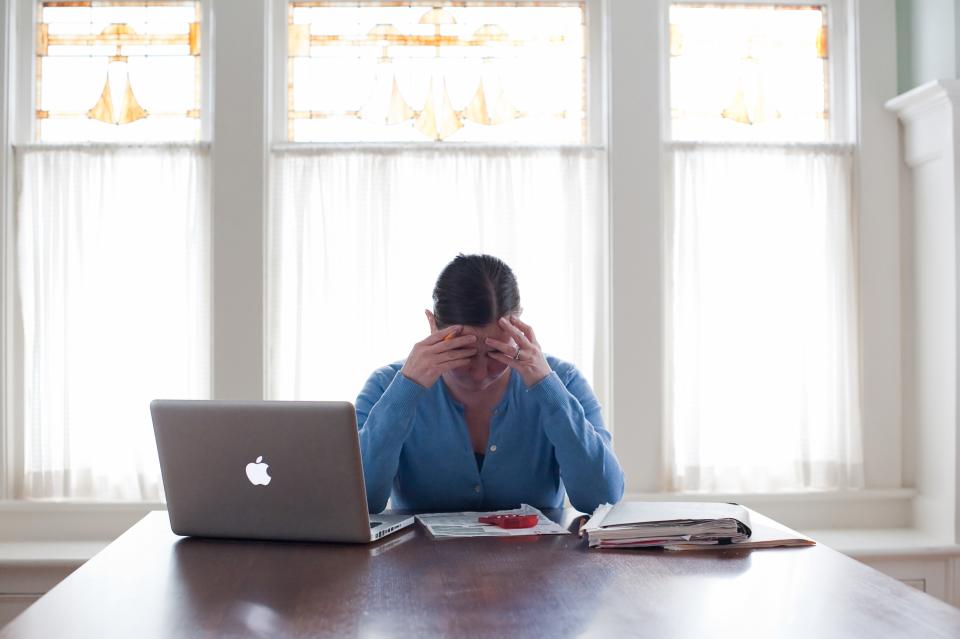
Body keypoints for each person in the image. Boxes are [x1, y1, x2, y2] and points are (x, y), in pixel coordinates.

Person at [355, 254, 624, 514]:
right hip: (419, 559)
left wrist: (546, 387)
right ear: (434, 327)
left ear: (518, 327)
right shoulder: (386, 386)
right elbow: (360, 503)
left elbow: (603, 499)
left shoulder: (562, 381)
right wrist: (407, 389)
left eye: (497, 353)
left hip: (538, 559)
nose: (480, 373)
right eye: (466, 353)